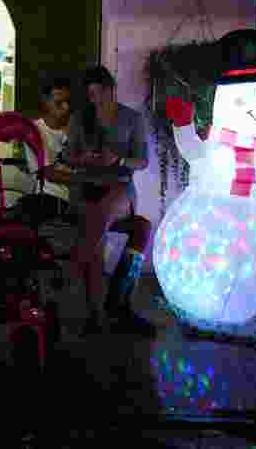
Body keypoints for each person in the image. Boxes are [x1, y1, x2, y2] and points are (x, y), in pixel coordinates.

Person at [65, 65, 155, 336]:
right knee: (97, 223)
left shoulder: (132, 118)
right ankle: (99, 313)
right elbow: (69, 157)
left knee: (99, 217)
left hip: (120, 186)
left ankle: (73, 270)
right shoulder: (81, 118)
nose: (94, 99)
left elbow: (142, 161)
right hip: (86, 185)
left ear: (110, 89)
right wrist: (85, 159)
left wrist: (118, 160)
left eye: (98, 92)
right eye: (89, 94)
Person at [22, 78, 74, 218]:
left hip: (79, 201)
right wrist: (84, 179)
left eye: (68, 102)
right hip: (50, 201)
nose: (66, 107)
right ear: (46, 102)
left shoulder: (76, 128)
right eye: (59, 103)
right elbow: (48, 173)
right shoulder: (34, 131)